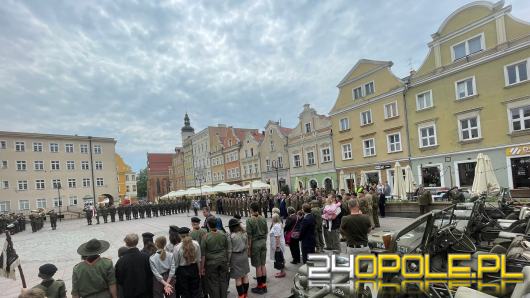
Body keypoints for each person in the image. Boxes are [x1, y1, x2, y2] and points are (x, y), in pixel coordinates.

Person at [200, 217, 231, 298]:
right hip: (223, 261)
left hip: (211, 263)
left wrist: (202, 267)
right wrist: (227, 261)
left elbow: (203, 254)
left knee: (213, 283)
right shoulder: (223, 234)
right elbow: (227, 248)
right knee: (223, 281)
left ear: (208, 225)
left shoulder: (205, 237)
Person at [115, 233, 153, 298]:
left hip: (129, 293)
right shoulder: (146, 257)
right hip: (145, 293)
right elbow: (150, 275)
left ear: (126, 243)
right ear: (137, 242)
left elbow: (119, 280)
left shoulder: (121, 261)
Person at [246, 202, 268, 294]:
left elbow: (249, 236)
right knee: (263, 265)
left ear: (251, 209)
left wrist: (249, 249)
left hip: (255, 243)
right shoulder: (263, 218)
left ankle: (259, 287)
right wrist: (264, 241)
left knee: (258, 266)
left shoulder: (249, 220)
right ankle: (264, 285)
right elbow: (266, 231)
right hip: (263, 242)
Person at [174, 227, 202, 298]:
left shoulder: (177, 247)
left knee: (185, 292)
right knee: (195, 291)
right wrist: (199, 272)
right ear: (189, 234)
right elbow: (199, 260)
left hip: (182, 271)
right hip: (194, 268)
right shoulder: (196, 244)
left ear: (179, 236)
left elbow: (176, 263)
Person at [227, 219, 250, 298]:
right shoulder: (244, 233)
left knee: (238, 278)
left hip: (235, 257)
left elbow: (229, 251)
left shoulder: (231, 237)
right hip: (244, 255)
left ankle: (241, 296)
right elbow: (247, 246)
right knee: (245, 275)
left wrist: (228, 262)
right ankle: (245, 294)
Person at [269, 214, 286, 278]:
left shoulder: (276, 226)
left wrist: (277, 246)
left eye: (272, 218)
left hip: (278, 244)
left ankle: (282, 272)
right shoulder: (279, 224)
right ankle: (282, 271)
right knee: (281, 257)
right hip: (279, 243)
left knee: (279, 258)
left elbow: (277, 237)